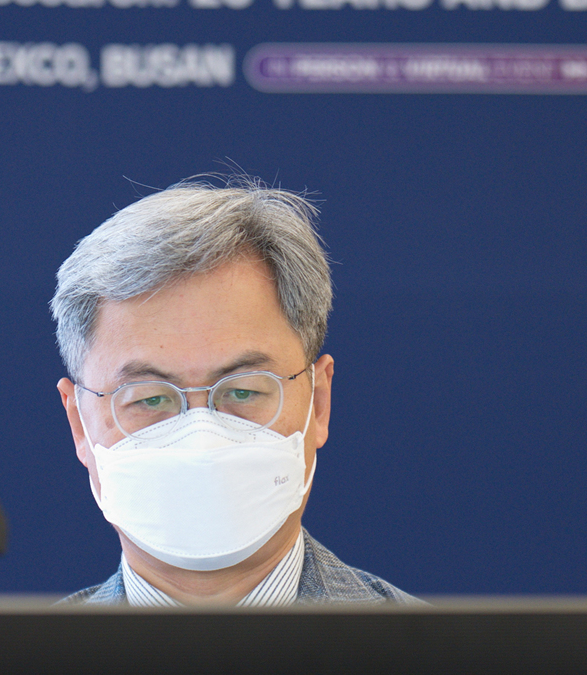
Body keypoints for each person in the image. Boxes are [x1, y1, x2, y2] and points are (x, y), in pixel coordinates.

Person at [53, 177, 417, 605]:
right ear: (80, 425)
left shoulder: (446, 651)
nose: (201, 443)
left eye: (242, 391)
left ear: (318, 402)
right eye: (150, 399)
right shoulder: (13, 653)